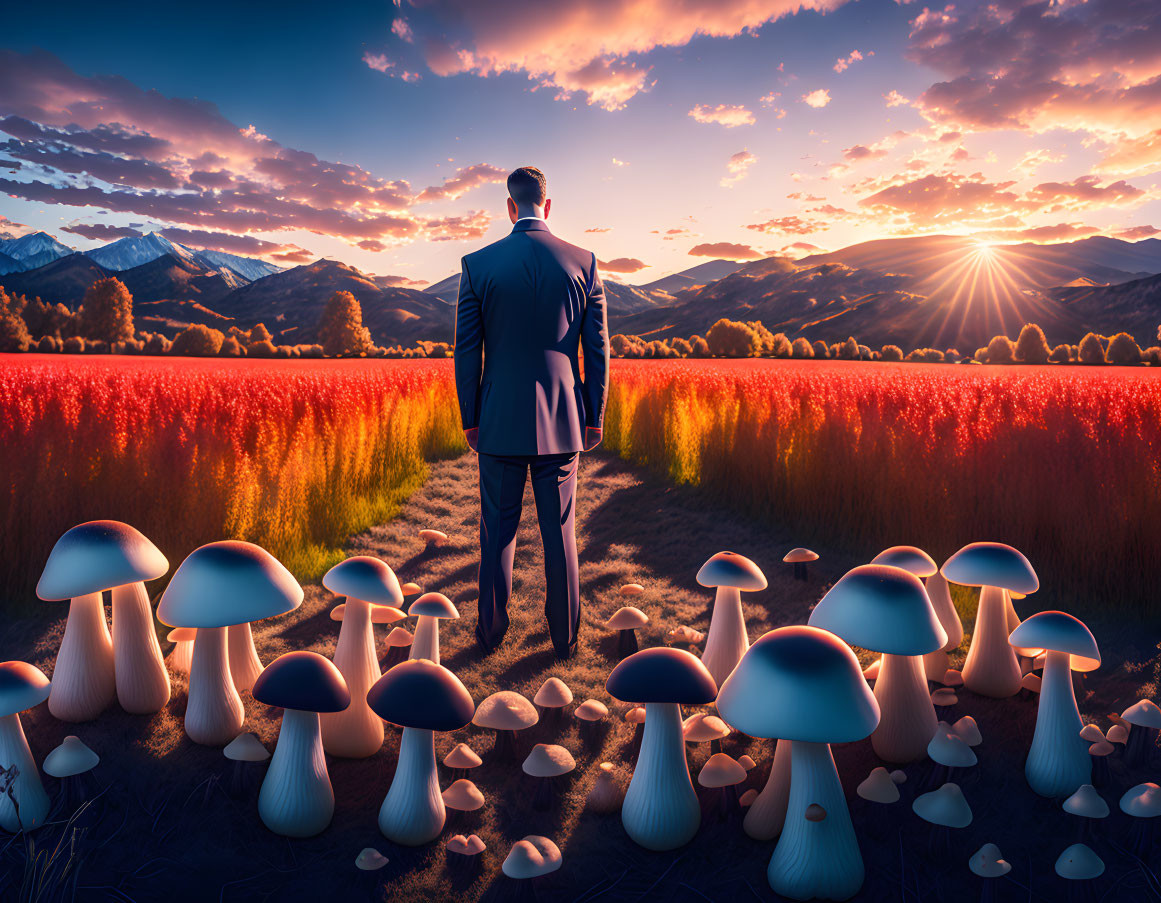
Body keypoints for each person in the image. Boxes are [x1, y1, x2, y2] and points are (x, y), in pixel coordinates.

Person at [454, 166, 610, 660]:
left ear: (508, 206)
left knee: (496, 532)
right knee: (559, 531)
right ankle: (565, 636)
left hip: (497, 421)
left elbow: (466, 351)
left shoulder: (478, 265)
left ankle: (490, 633)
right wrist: (593, 416)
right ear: (547, 205)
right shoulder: (584, 263)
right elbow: (598, 349)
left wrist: (471, 417)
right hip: (564, 422)